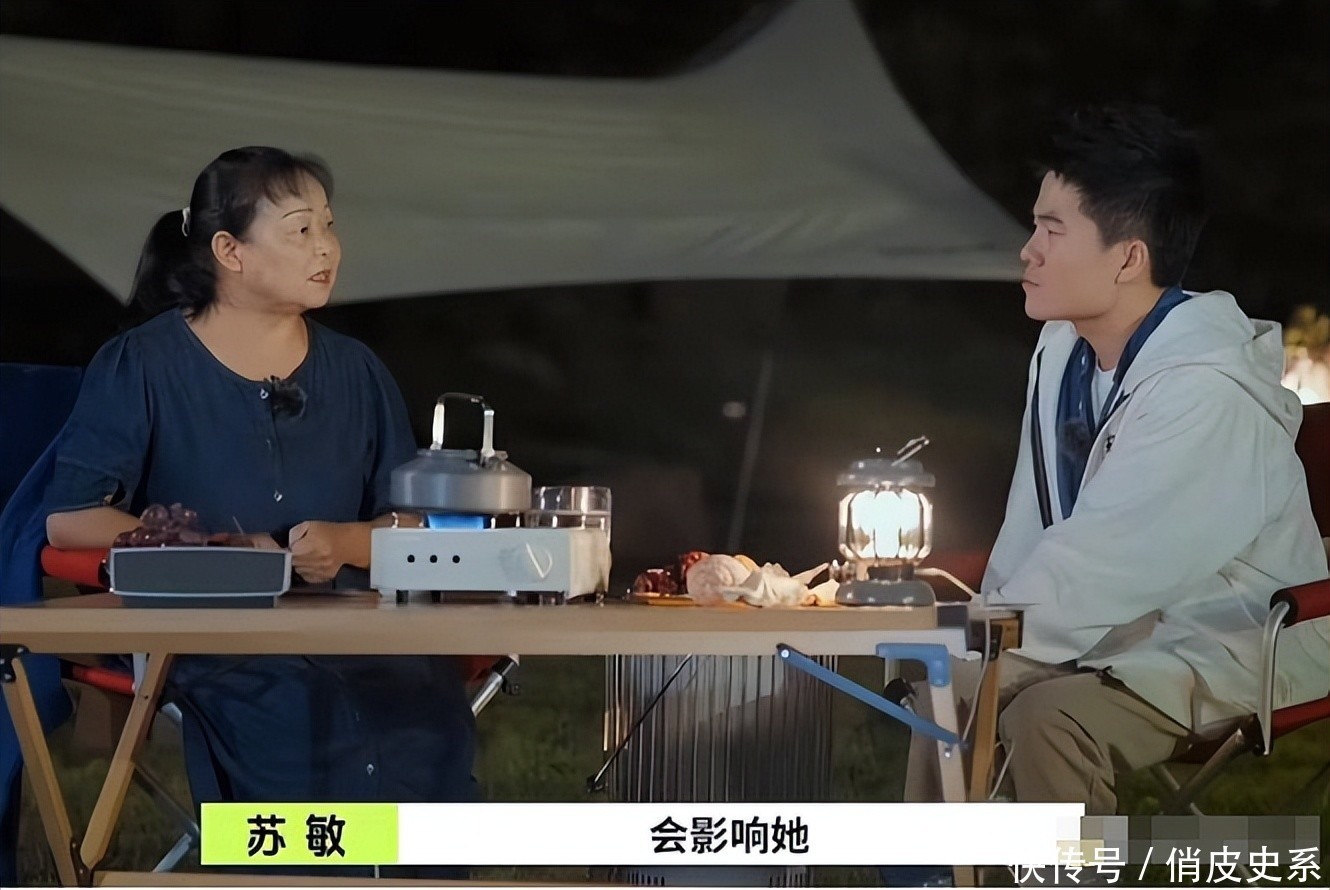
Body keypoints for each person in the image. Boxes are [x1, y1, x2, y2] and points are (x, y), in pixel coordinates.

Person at [40, 147, 477, 867]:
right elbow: (72, 517)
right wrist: (218, 557)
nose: (327, 248)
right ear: (229, 251)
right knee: (290, 712)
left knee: (422, 705)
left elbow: (409, 521)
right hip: (209, 635)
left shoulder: (357, 371)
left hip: (358, 626)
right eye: (301, 229)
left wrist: (346, 544)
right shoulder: (144, 364)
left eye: (329, 226)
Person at [976, 103, 1329, 813]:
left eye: (1052, 230)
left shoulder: (1205, 389)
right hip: (1116, 620)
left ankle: (1072, 867)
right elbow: (1031, 524)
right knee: (950, 684)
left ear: (1129, 258)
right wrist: (972, 634)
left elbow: (1116, 559)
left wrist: (982, 638)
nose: (1028, 251)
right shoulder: (1062, 349)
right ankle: (931, 865)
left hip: (1233, 637)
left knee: (1044, 717)